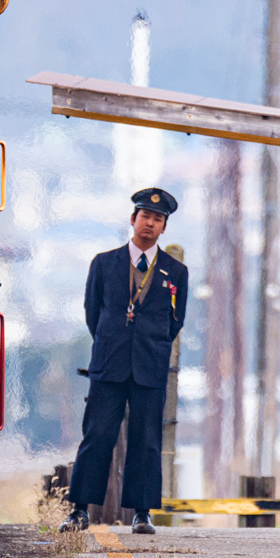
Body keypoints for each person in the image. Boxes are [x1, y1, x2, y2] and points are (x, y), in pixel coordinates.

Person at [62, 188, 189, 535]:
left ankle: (142, 513)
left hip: (150, 365)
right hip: (110, 362)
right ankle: (79, 511)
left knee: (147, 440)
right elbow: (93, 313)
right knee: (97, 435)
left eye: (158, 219)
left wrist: (153, 343)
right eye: (145, 216)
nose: (150, 222)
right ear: (133, 220)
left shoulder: (175, 272)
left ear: (164, 228)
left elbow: (175, 322)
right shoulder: (104, 263)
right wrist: (111, 340)